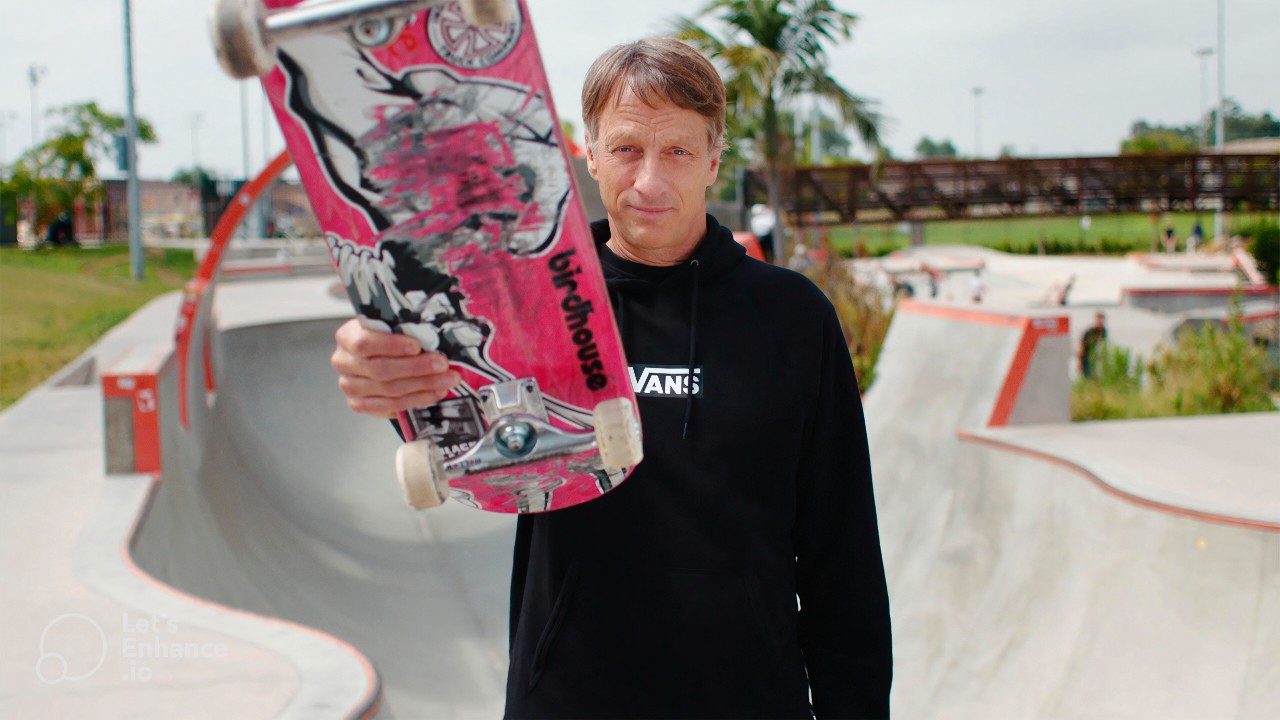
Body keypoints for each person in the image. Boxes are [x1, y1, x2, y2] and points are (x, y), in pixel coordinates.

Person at [331, 37, 891, 719]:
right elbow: (450, 424)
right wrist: (385, 368)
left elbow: (844, 563)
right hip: (570, 696)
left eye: (678, 152)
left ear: (714, 159)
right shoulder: (518, 306)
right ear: (589, 154)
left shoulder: (792, 319)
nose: (650, 182)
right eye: (627, 149)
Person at [1080, 312, 1107, 378]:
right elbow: (1082, 347)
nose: (1100, 323)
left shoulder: (1104, 331)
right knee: (1087, 375)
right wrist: (1080, 362)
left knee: (1096, 375)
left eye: (1101, 321)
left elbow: (1103, 344)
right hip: (1087, 356)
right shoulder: (1089, 332)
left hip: (1096, 355)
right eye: (1098, 321)